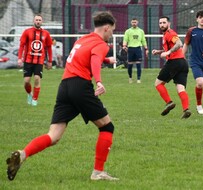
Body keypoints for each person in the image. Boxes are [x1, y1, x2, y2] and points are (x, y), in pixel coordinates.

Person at [6, 11, 119, 181]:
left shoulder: (82, 40)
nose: (112, 34)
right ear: (106, 28)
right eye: (112, 31)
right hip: (80, 86)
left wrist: (107, 61)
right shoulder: (101, 44)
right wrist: (99, 81)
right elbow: (94, 60)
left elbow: (85, 57)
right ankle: (98, 172)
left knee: (53, 136)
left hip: (65, 86)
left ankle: (23, 154)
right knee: (107, 127)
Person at [152, 16, 191, 119]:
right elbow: (171, 47)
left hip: (174, 62)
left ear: (169, 23)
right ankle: (186, 109)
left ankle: (169, 102)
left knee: (158, 84)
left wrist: (168, 52)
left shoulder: (170, 33)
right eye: (160, 23)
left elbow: (179, 44)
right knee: (180, 88)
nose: (162, 25)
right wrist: (160, 52)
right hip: (183, 63)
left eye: (164, 22)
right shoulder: (166, 35)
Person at [17, 14, 53, 106]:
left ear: (42, 21)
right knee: (26, 81)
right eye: (36, 20)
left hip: (39, 61)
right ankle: (29, 94)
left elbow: (49, 48)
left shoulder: (46, 34)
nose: (38, 21)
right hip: (28, 60)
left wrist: (50, 61)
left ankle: (35, 100)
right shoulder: (27, 32)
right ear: (34, 21)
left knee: (37, 78)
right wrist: (19, 58)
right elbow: (21, 46)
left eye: (39, 20)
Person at [123, 18, 148, 83]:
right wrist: (124, 46)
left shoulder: (141, 31)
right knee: (130, 65)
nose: (134, 23)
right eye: (133, 22)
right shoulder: (128, 31)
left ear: (137, 22)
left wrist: (146, 49)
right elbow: (125, 39)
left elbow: (143, 40)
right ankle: (130, 78)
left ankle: (138, 79)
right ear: (131, 23)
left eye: (135, 22)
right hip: (130, 49)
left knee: (138, 64)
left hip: (138, 49)